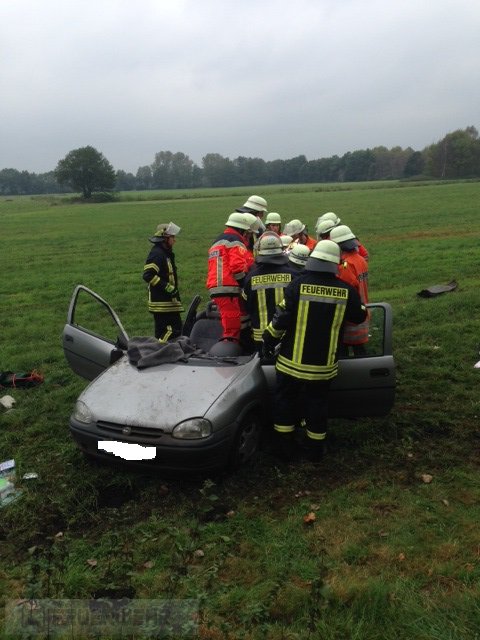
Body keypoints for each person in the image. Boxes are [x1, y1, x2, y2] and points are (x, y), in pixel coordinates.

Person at [262, 240, 367, 462]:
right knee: (317, 405)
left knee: (285, 401)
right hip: (323, 367)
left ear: (313, 260)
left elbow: (280, 320)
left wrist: (268, 339)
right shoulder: (346, 291)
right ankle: (315, 450)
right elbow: (359, 316)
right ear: (335, 264)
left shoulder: (297, 285)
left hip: (290, 364)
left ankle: (284, 448)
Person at [242, 232, 296, 352]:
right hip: (286, 335)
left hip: (259, 337)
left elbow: (246, 306)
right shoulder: (293, 276)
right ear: (281, 251)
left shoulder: (251, 278)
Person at [206, 212, 255, 343]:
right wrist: (245, 285)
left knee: (235, 319)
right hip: (228, 288)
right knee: (232, 325)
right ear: (241, 229)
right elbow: (237, 267)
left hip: (217, 286)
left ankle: (240, 343)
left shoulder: (218, 241)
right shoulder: (235, 241)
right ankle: (230, 347)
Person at [330, 225, 369, 356]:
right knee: (360, 352)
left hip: (350, 321)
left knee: (343, 355)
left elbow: (344, 293)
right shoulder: (360, 259)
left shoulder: (345, 266)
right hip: (362, 313)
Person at [143, 222, 183, 341]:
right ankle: (160, 349)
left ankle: (161, 349)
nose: (174, 240)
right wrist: (167, 287)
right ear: (164, 238)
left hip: (168, 302)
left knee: (173, 331)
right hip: (162, 303)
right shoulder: (157, 254)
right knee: (170, 332)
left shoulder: (165, 253)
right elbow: (148, 275)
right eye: (172, 237)